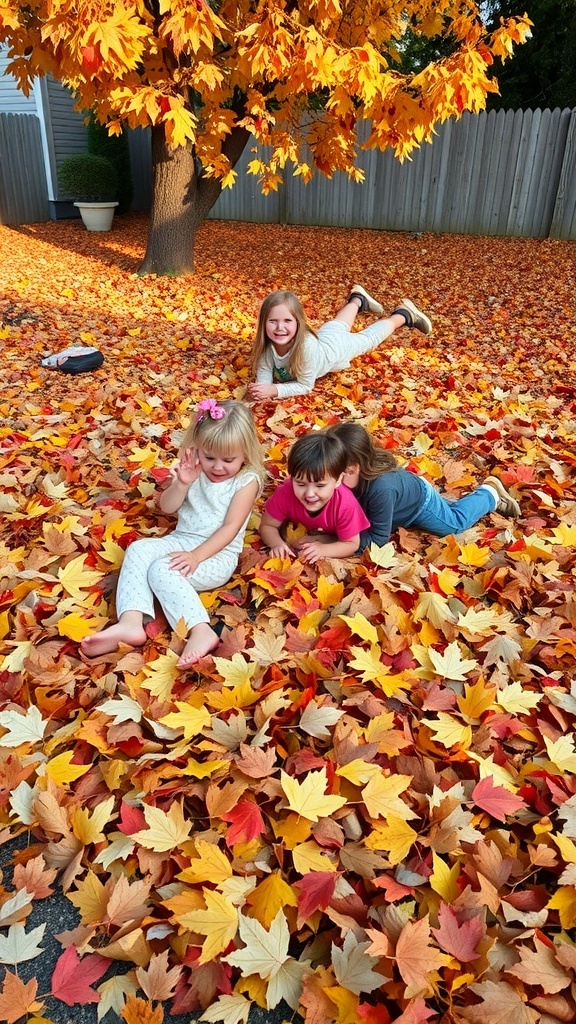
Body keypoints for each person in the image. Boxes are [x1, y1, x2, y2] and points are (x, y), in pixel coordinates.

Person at [81, 399, 265, 667]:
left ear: (245, 455)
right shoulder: (194, 468)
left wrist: (195, 556)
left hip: (216, 555)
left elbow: (230, 528)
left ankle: (200, 630)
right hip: (181, 540)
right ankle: (131, 622)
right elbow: (167, 507)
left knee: (161, 570)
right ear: (198, 448)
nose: (217, 467)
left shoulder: (246, 481)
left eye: (228, 460)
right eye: (209, 457)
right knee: (139, 549)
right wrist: (182, 483)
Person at [323, 421, 521, 550]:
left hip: (420, 504)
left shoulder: (380, 489)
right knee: (448, 508)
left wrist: (333, 543)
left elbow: (378, 539)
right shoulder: (352, 479)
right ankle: (452, 501)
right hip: (403, 492)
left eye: (333, 472)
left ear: (352, 469)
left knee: (454, 523)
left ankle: (488, 494)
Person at [246, 285, 432, 401]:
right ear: (263, 324)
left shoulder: (306, 347)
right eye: (272, 321)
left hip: (336, 350)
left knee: (368, 339)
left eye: (287, 321)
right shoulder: (266, 346)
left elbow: (305, 386)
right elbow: (264, 378)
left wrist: (274, 390)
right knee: (338, 324)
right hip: (325, 336)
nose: (280, 328)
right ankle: (358, 299)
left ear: (299, 323)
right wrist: (261, 390)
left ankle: (404, 314)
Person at [259, 432, 370, 564]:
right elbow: (267, 526)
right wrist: (277, 544)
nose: (310, 493)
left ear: (338, 479)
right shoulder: (286, 492)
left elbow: (351, 544)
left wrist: (323, 550)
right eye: (300, 484)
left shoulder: (345, 504)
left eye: (320, 485)